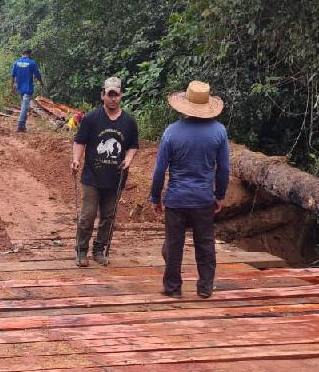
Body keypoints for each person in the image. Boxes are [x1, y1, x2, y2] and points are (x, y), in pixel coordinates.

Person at [149, 80, 230, 298]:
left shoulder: (172, 132)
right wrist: (219, 195)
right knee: (205, 244)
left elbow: (159, 170)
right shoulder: (219, 132)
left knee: (174, 246)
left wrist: (155, 197)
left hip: (176, 200)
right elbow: (223, 169)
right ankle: (205, 287)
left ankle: (173, 288)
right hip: (203, 199)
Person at [71, 76, 139, 267]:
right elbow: (80, 142)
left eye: (116, 95)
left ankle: (99, 249)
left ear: (121, 95)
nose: (113, 99)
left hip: (116, 178)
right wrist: (76, 160)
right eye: (109, 95)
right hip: (92, 177)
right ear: (103, 96)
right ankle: (82, 250)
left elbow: (133, 146)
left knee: (108, 216)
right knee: (87, 215)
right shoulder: (91, 118)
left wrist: (128, 159)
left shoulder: (129, 122)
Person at [10, 48, 44, 133]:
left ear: (22, 54)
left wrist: (12, 87)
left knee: (25, 106)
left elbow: (12, 76)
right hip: (28, 88)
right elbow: (38, 74)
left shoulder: (17, 63)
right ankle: (20, 125)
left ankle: (23, 126)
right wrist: (41, 82)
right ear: (29, 54)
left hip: (20, 88)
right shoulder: (32, 63)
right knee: (24, 106)